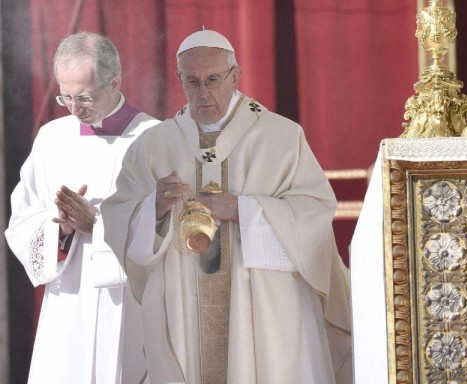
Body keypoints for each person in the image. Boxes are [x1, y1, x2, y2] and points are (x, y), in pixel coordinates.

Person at [101, 30, 353, 384]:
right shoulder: (154, 145)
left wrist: (241, 209)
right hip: (182, 309)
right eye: (192, 82)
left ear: (235, 76)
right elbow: (118, 216)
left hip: (263, 312)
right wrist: (154, 208)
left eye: (213, 79)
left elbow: (313, 213)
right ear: (179, 80)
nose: (202, 93)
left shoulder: (281, 137)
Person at [5, 31, 159, 383]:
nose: (75, 108)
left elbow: (166, 226)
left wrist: (98, 224)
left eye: (85, 97)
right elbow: (22, 218)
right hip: (67, 307)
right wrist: (60, 229)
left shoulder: (154, 139)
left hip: (125, 306)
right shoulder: (52, 139)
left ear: (115, 82)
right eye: (66, 96)